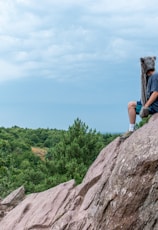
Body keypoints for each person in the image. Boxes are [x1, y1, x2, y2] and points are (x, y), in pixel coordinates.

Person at [121, 68, 158, 140]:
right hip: (151, 104)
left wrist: (145, 106)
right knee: (131, 104)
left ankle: (131, 130)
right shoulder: (150, 77)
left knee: (131, 105)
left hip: (155, 106)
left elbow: (155, 93)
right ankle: (131, 129)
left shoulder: (155, 76)